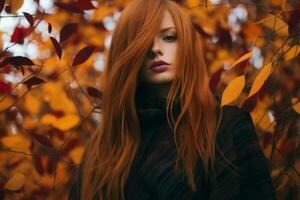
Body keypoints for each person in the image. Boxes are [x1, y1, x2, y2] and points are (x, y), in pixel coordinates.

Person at [68, 0, 277, 199]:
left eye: (169, 37)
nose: (155, 49)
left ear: (186, 44)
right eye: (143, 40)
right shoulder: (101, 148)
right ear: (126, 53)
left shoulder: (225, 126)